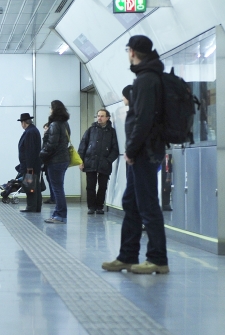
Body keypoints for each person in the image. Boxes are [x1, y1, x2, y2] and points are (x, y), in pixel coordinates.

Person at [102, 35, 169, 275]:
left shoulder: (146, 80)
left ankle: (158, 259)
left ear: (132, 52)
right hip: (144, 150)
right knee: (131, 202)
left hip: (144, 152)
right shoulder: (149, 77)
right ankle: (127, 256)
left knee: (148, 203)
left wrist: (131, 149)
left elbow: (144, 119)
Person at [77, 108, 119, 215]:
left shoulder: (112, 132)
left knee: (103, 186)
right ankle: (91, 207)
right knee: (90, 186)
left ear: (107, 118)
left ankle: (100, 206)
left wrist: (108, 160)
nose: (99, 118)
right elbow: (82, 146)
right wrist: (80, 161)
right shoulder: (91, 130)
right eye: (98, 116)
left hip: (104, 163)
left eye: (102, 116)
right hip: (90, 161)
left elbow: (115, 149)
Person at [39, 100, 71, 224]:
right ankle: (60, 214)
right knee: (59, 188)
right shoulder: (65, 124)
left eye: (50, 108)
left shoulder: (54, 125)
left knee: (57, 189)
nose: (49, 110)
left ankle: (59, 215)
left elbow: (51, 144)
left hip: (55, 160)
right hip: (63, 159)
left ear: (54, 109)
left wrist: (41, 154)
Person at [16, 113, 42, 213]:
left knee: (30, 186)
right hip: (32, 165)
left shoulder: (30, 132)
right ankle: (36, 206)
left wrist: (29, 167)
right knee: (35, 186)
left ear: (23, 123)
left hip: (30, 166)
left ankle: (31, 207)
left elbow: (30, 151)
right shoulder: (32, 130)